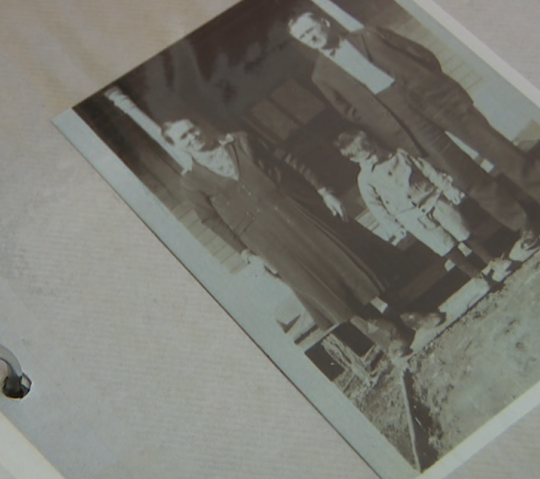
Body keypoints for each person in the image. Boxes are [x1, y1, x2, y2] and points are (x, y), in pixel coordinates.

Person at [288, 12, 540, 252]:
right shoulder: (322, 76)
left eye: (310, 29)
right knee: (462, 174)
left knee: (497, 147)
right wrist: (383, 120)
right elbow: (349, 112)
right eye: (303, 37)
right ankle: (522, 222)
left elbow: (422, 55)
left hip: (434, 98)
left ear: (324, 23)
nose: (310, 37)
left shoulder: (370, 34)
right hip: (401, 121)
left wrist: (431, 86)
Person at [161, 118, 441, 340]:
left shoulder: (241, 142)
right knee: (323, 286)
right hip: (266, 239)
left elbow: (289, 161)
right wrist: (246, 253)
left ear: (200, 127)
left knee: (350, 261)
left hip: (302, 211)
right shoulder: (192, 182)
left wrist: (324, 191)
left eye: (192, 129)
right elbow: (211, 220)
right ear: (178, 145)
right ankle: (389, 335)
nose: (192, 136)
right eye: (183, 136)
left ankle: (411, 314)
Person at [335, 129, 501, 289]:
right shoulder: (365, 180)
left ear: (374, 143)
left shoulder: (399, 156)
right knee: (445, 246)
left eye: (373, 151)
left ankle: (491, 259)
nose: (374, 158)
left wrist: (448, 188)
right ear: (355, 160)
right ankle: (476, 276)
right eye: (367, 158)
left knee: (463, 231)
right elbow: (376, 207)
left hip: (433, 200)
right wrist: (394, 227)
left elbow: (427, 170)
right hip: (412, 218)